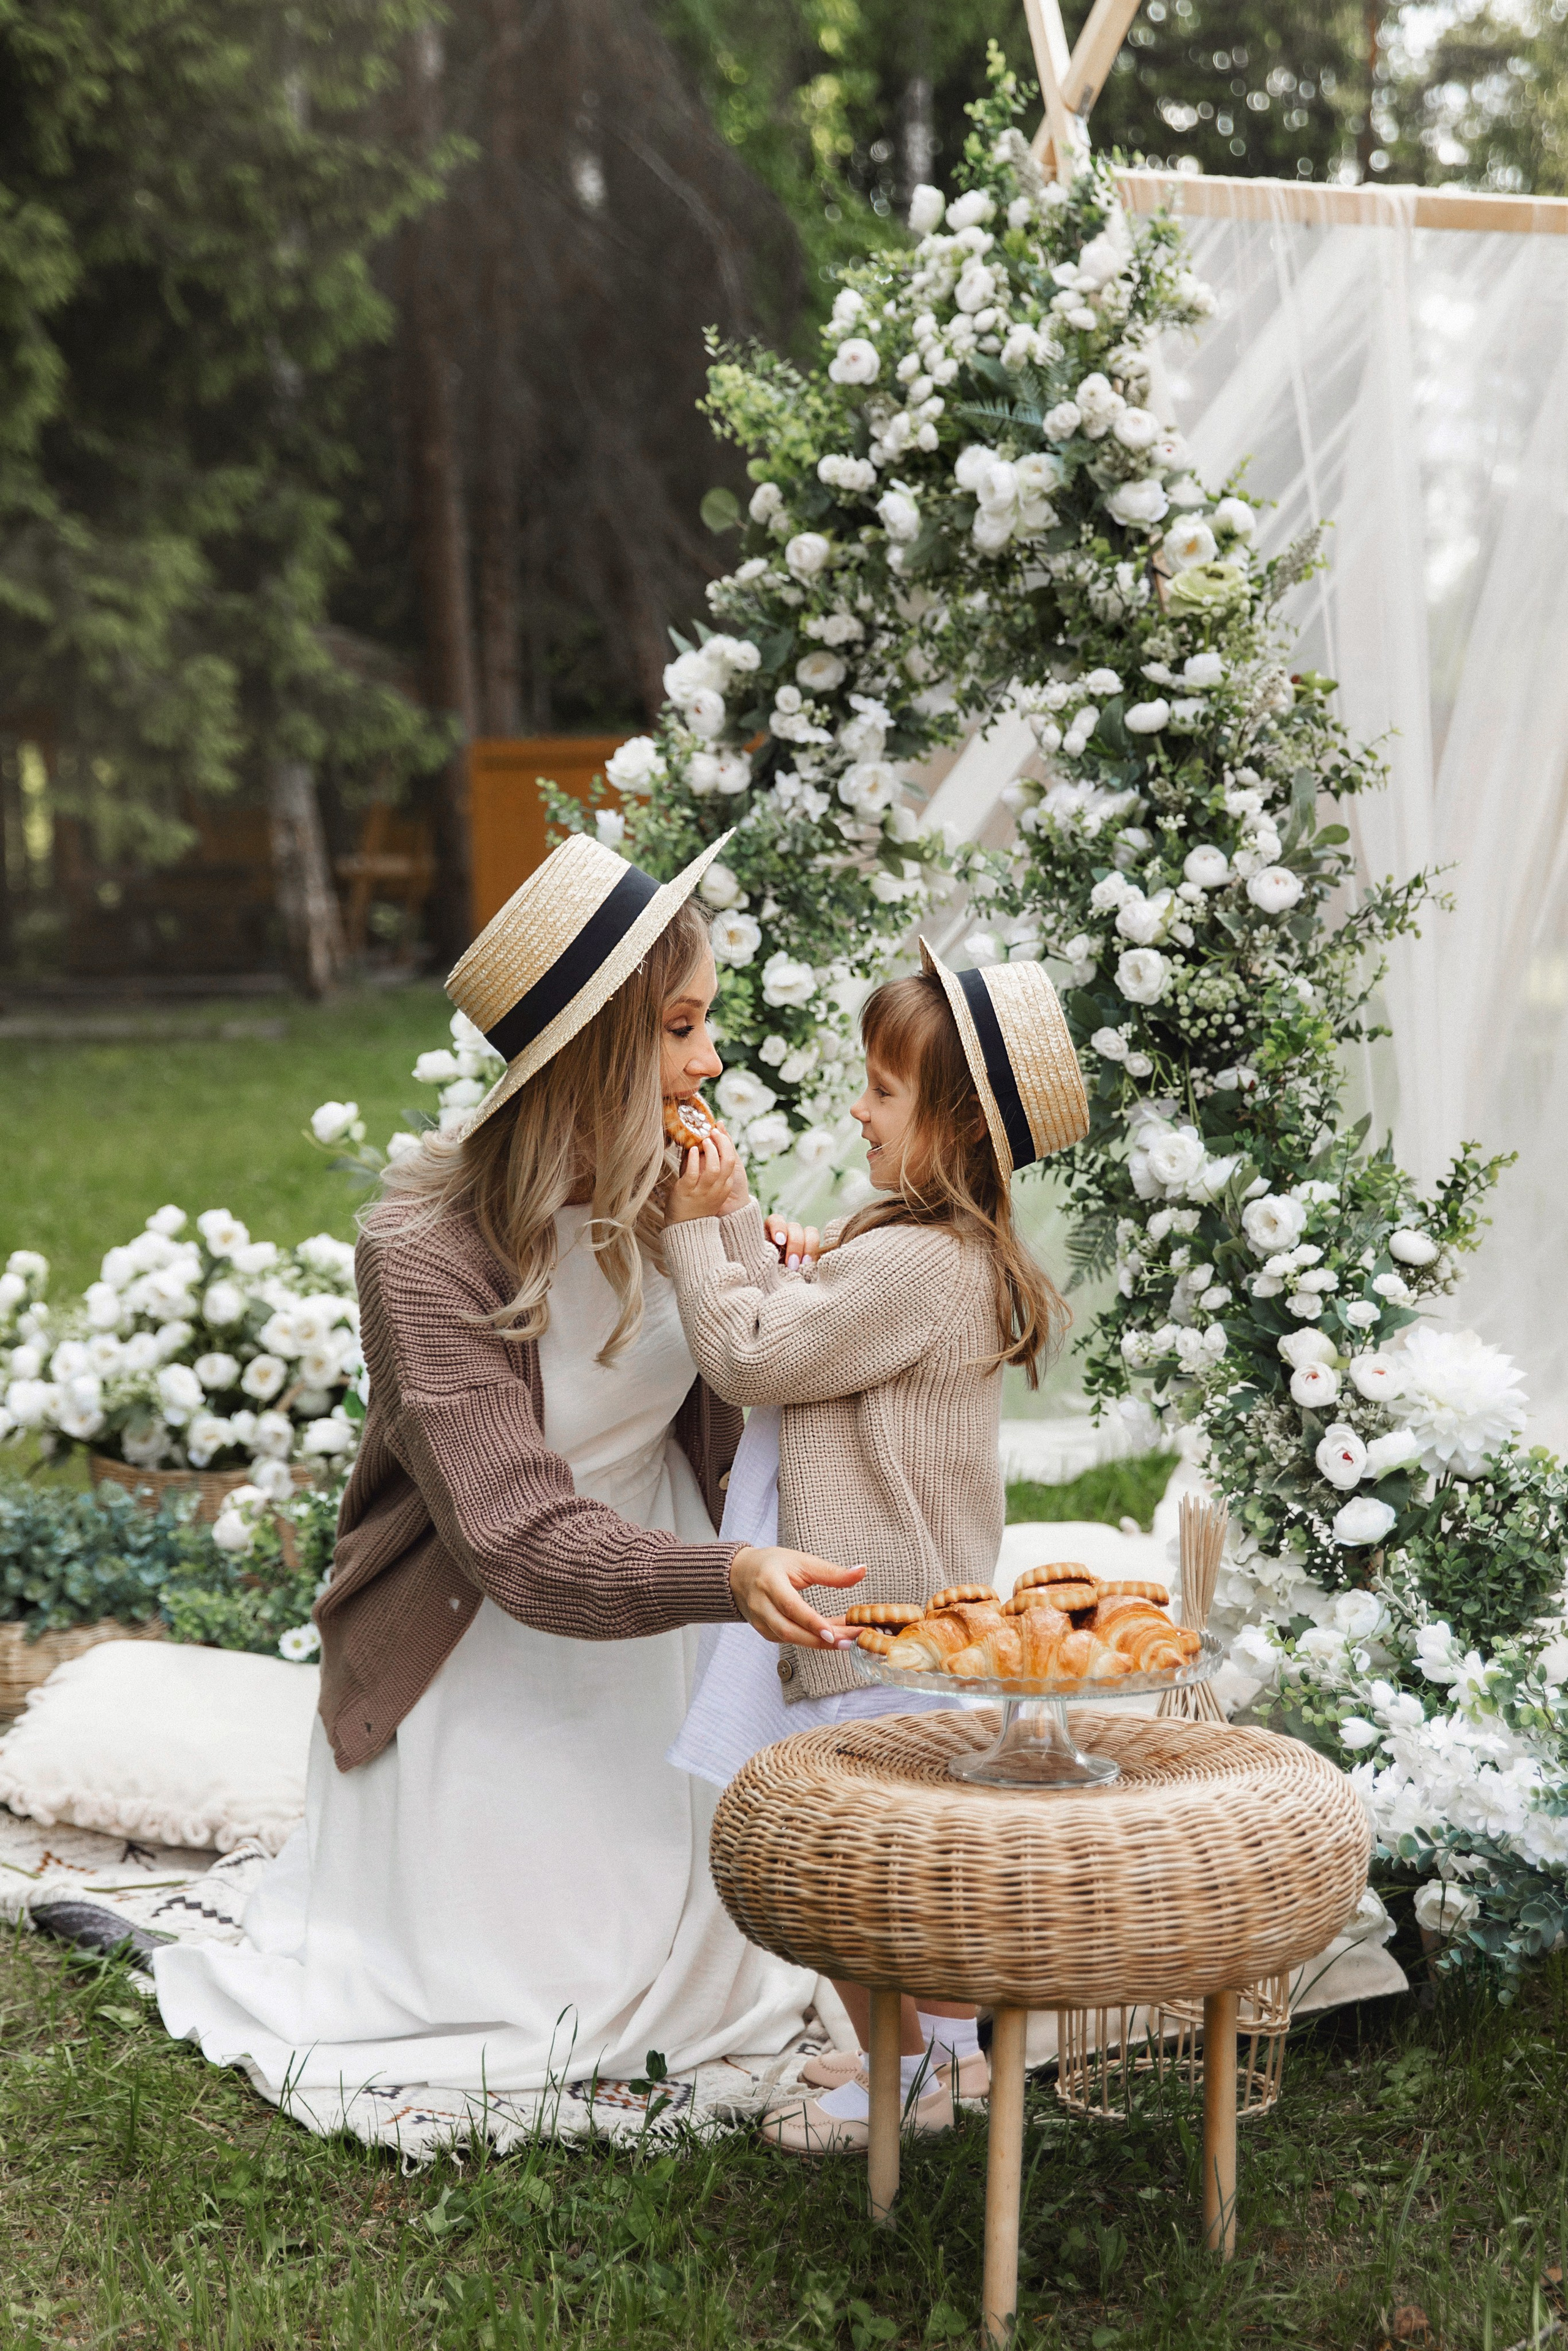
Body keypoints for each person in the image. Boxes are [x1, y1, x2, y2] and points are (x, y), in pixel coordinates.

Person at [153, 830, 865, 2110]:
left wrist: (774, 1272)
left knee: (737, 1927)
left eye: (708, 1022)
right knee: (544, 1985)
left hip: (667, 1626)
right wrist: (732, 1568)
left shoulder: (682, 1184)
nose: (709, 1059)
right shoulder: (421, 1251)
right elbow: (520, 1538)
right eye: (678, 1026)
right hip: (484, 1628)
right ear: (592, 1055)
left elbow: (751, 1368)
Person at [662, 940, 1089, 2151]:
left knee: (842, 1875)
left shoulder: (913, 1263)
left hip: (858, 1617)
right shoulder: (923, 1248)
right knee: (859, 1862)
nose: (858, 1104)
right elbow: (795, 1318)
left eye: (883, 1090)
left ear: (952, 1125)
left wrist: (698, 1235)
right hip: (871, 1605)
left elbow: (751, 1354)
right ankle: (939, 2056)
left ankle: (913, 2067)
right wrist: (744, 1220)